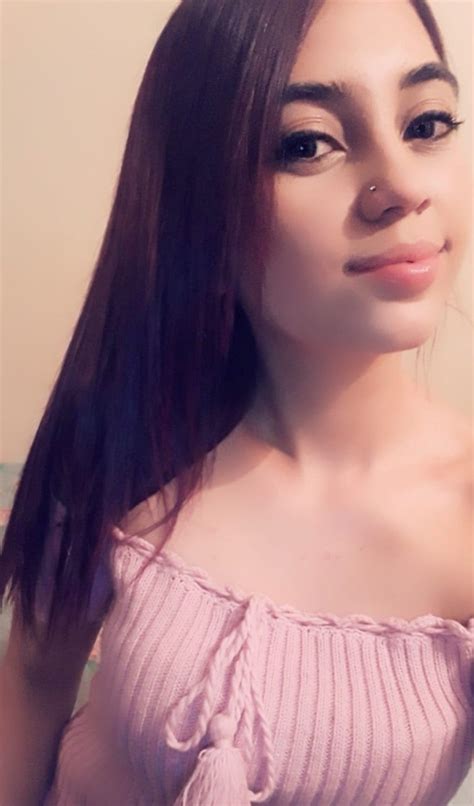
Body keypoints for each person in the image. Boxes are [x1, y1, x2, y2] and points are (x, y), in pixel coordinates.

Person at [0, 0, 472, 803]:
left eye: (426, 124)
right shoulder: (125, 435)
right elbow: (33, 682)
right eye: (306, 144)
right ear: (200, 199)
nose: (400, 186)